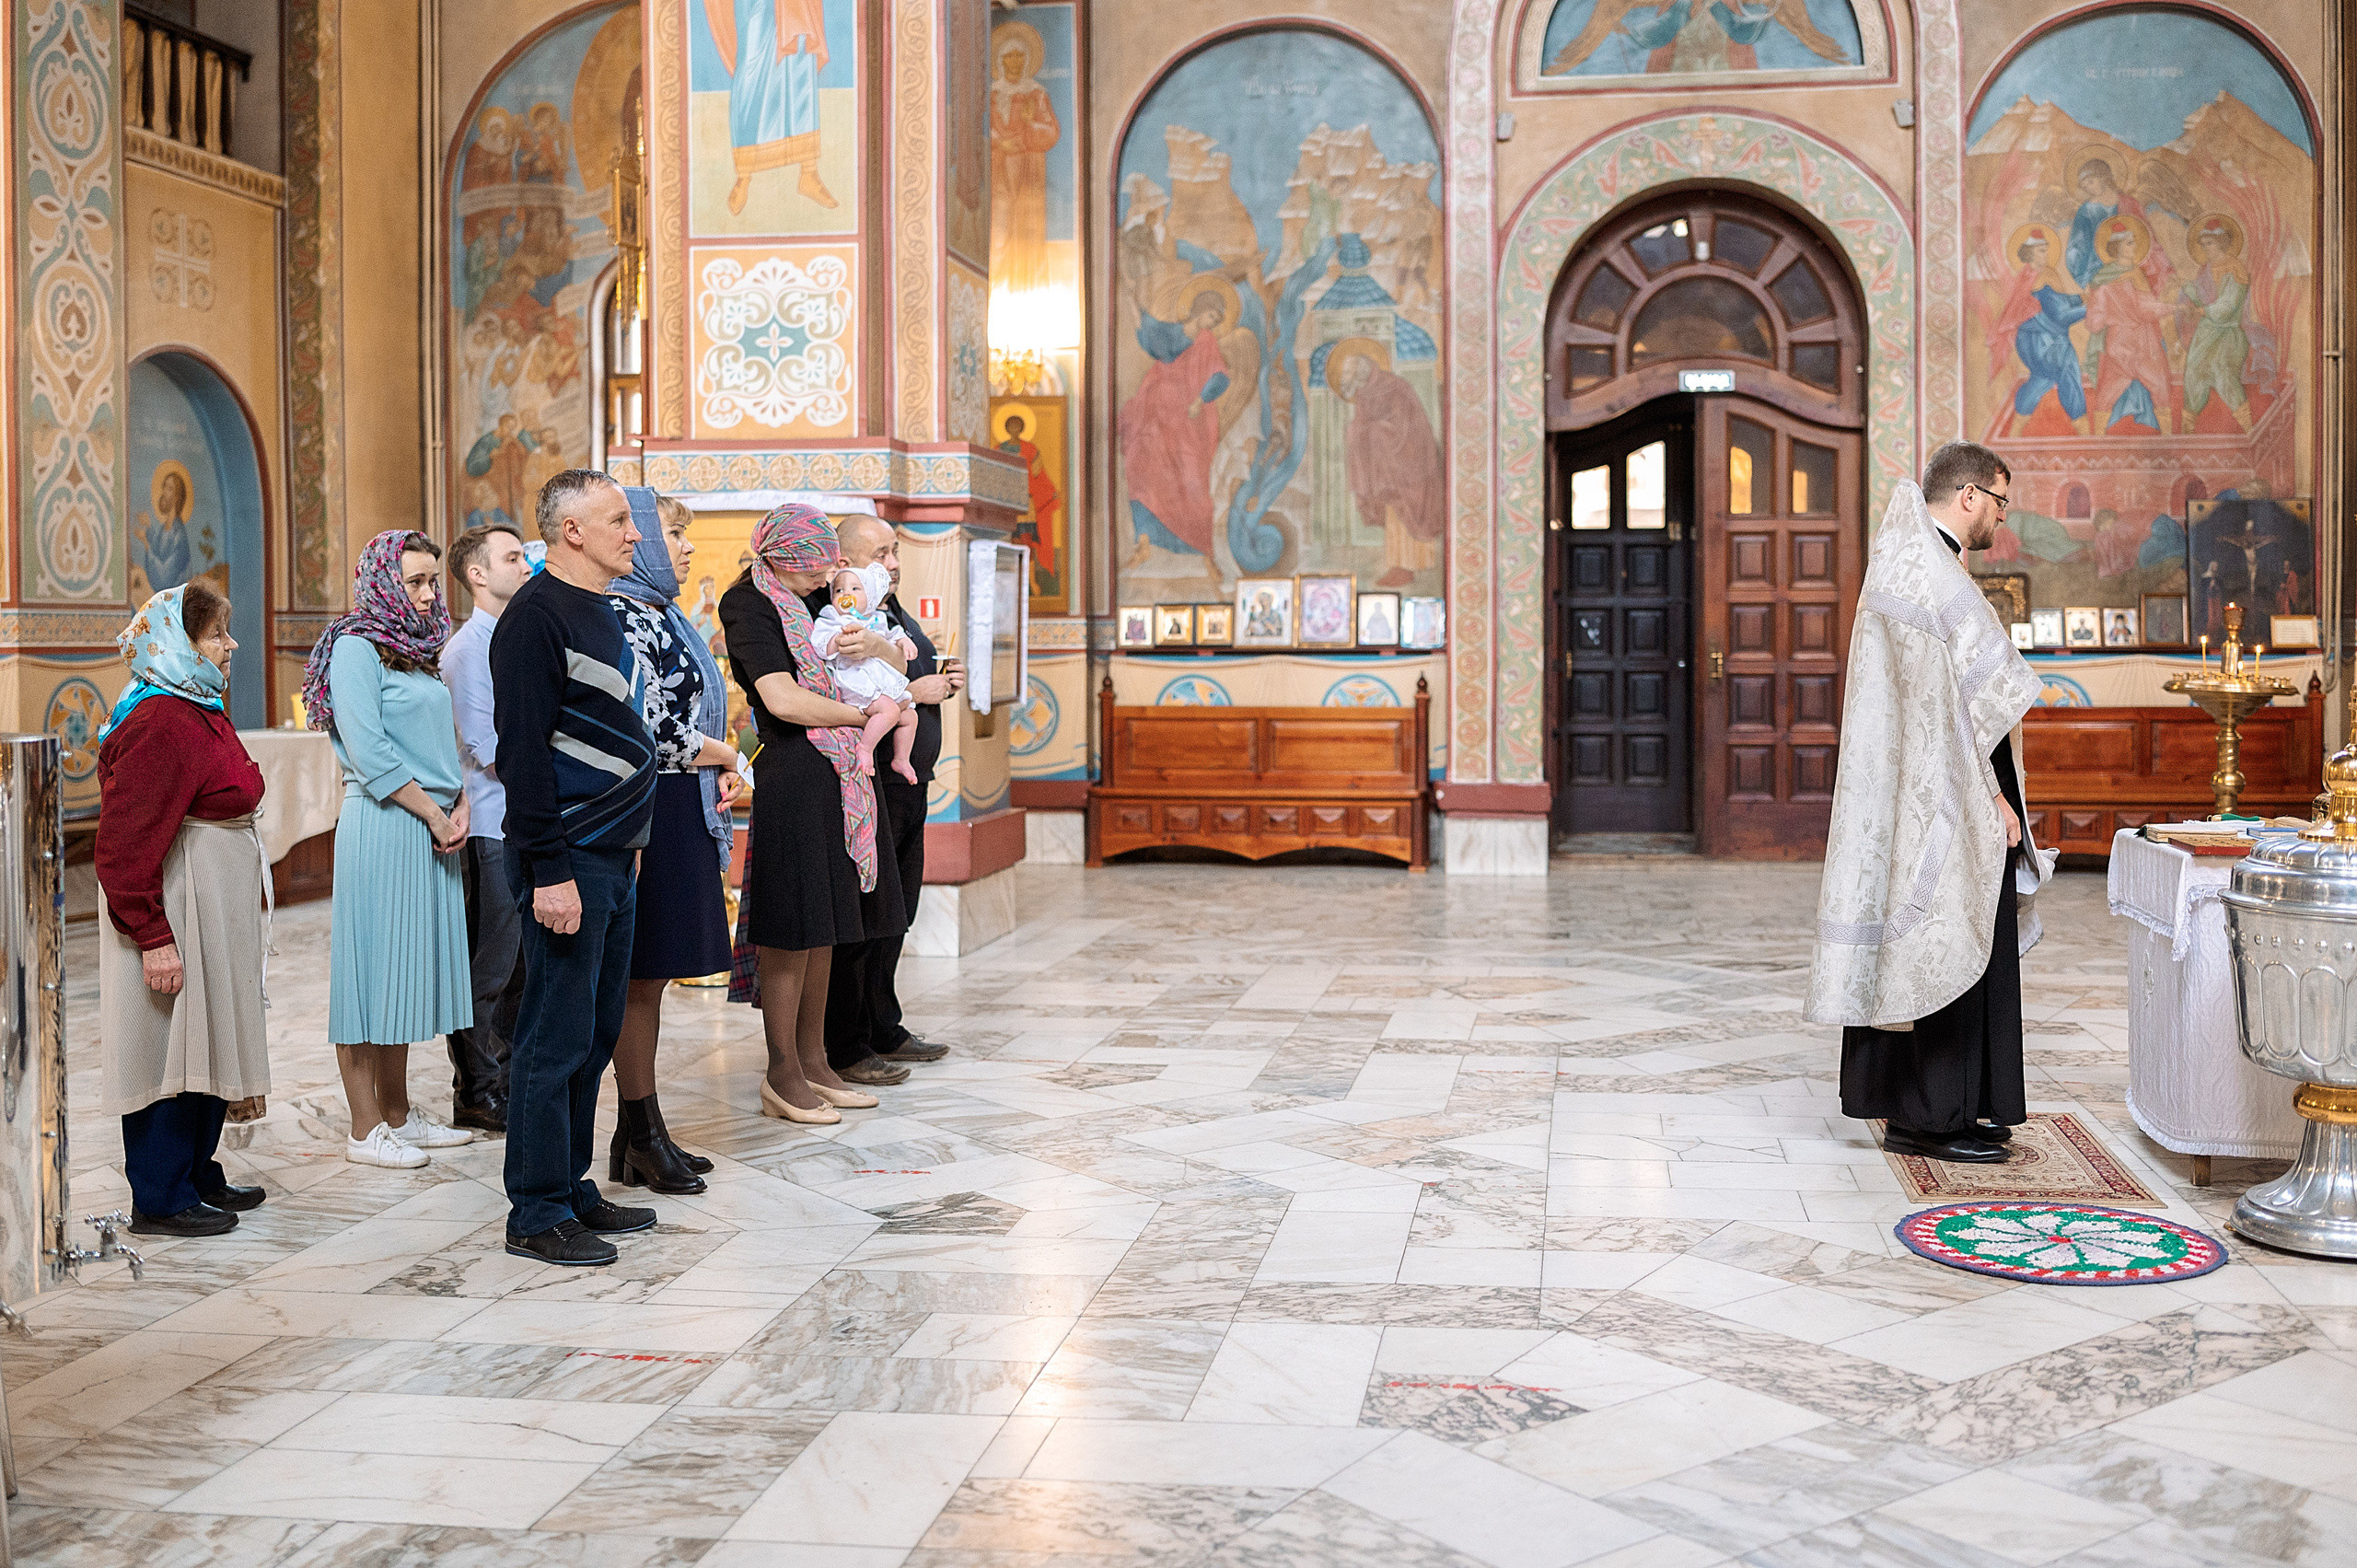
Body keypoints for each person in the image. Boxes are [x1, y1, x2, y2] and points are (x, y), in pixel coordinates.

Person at [1807, 442, 2052, 1164]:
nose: (2002, 518)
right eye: (2000, 502)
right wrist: (1994, 799)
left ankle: (1963, 1104)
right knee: (1938, 943)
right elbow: (1950, 713)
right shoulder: (1927, 574)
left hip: (1937, 792)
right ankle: (1927, 1116)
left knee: (1960, 944)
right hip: (1944, 800)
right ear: (1969, 494)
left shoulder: (1919, 563)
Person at [491, 469, 661, 1266]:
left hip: (613, 854)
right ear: (572, 531)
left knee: (594, 1032)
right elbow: (522, 757)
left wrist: (632, 839)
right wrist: (550, 870)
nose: (635, 533)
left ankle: (569, 1182)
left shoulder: (601, 608)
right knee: (552, 1036)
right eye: (619, 519)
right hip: (569, 856)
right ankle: (535, 1209)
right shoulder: (534, 618)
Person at [720, 502, 908, 1121]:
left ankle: (815, 1059)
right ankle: (782, 1071)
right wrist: (864, 717)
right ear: (780, 559)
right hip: (795, 774)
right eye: (812, 568)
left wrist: (876, 656)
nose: (825, 578)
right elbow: (782, 699)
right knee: (792, 926)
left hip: (841, 773)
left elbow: (895, 659)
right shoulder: (748, 603)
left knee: (827, 923)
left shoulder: (820, 594)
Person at [95, 582, 271, 1236]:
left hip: (209, 901)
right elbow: (124, 845)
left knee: (208, 1034)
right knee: (169, 1045)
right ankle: (161, 1193)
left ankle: (195, 1171)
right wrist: (153, 935)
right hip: (176, 902)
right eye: (216, 635)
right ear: (179, 643)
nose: (231, 645)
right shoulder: (160, 719)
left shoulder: (195, 705)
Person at [301, 531, 479, 1169]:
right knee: (368, 974)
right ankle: (364, 1127)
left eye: (433, 581)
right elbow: (370, 749)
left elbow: (443, 739)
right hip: (385, 822)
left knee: (404, 975)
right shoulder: (355, 646)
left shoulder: (418, 649)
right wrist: (434, 812)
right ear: (382, 581)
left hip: (432, 824)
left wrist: (460, 801)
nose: (429, 594)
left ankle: (399, 1113)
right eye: (415, 582)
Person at [605, 490, 743, 1195]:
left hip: (680, 802)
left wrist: (718, 761)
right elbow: (653, 729)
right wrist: (726, 754)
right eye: (675, 534)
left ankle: (639, 1133)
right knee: (642, 975)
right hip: (653, 804)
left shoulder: (661, 609)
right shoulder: (625, 613)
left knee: (653, 977)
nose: (686, 548)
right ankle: (640, 1132)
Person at [823, 514, 965, 1084]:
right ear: (844, 563)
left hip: (909, 783)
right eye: (881, 553)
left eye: (895, 551)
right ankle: (848, 1042)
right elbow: (852, 685)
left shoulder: (891, 610)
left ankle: (883, 1023)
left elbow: (912, 667)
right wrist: (916, 689)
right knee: (869, 913)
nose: (894, 563)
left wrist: (940, 682)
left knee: (898, 910)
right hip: (872, 780)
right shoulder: (842, 615)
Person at [440, 522, 534, 1132]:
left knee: (523, 966)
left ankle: (510, 1079)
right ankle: (476, 1089)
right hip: (492, 822)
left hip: (528, 821)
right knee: (491, 966)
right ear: (477, 574)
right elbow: (489, 746)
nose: (526, 566)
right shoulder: (467, 650)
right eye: (513, 557)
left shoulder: (518, 637)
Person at [815, 562, 921, 783]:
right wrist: (837, 640)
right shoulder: (833, 619)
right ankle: (865, 748)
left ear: (870, 596)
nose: (846, 594)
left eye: (855, 589)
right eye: (839, 590)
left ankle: (901, 759)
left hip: (878, 681)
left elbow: (893, 634)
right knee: (890, 711)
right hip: (854, 680)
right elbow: (820, 644)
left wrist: (904, 642)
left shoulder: (875, 619)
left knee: (910, 715)